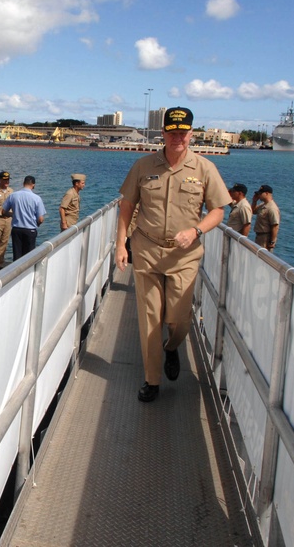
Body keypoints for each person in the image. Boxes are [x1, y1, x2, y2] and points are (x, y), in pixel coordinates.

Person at [115, 107, 230, 403]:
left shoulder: (204, 169)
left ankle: (171, 347)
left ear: (191, 134)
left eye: (183, 132)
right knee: (150, 317)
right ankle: (152, 380)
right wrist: (120, 245)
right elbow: (127, 205)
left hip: (184, 255)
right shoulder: (143, 166)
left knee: (179, 318)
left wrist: (196, 231)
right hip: (147, 249)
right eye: (172, 132)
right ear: (163, 134)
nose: (177, 137)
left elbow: (218, 210)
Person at [2, 175, 46, 260]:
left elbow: (3, 212)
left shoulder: (13, 195)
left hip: (16, 229)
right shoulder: (37, 198)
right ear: (33, 185)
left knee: (17, 255)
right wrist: (37, 224)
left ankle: (16, 272)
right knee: (29, 257)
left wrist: (13, 215)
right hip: (30, 230)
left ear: (23, 183)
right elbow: (40, 219)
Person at [252, 185, 280, 252]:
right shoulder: (263, 205)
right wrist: (254, 201)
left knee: (262, 257)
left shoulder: (272, 208)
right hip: (259, 236)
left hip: (265, 238)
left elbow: (275, 226)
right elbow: (253, 211)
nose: (259, 195)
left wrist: (272, 242)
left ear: (267, 193)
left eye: (260, 193)